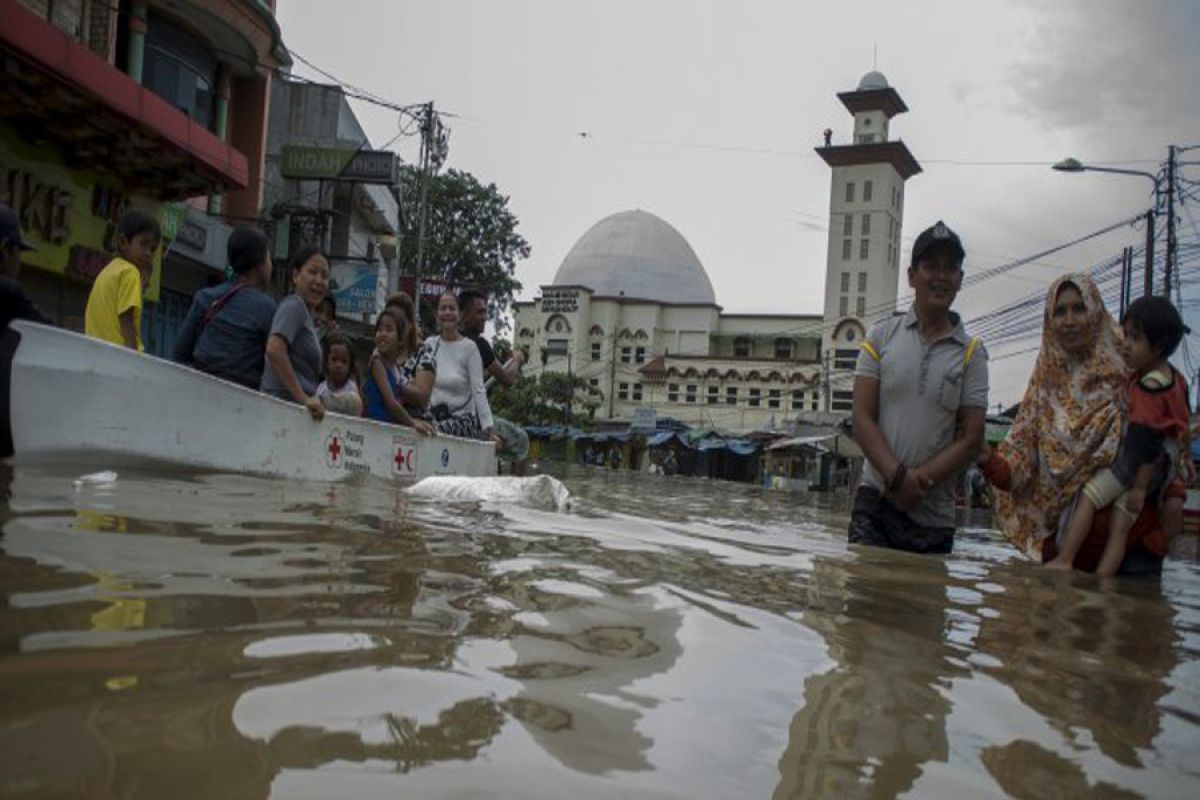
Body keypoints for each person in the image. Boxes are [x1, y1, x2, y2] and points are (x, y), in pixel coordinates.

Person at [980, 274, 1181, 575]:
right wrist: (986, 459)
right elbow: (1019, 466)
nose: (1069, 320)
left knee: (1139, 620)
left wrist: (1171, 507)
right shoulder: (1042, 390)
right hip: (1065, 554)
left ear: (1096, 312)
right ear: (1049, 320)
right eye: (1060, 312)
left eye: (1078, 308)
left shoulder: (1135, 368)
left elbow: (1169, 439)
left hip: (1135, 549)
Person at [850, 220, 989, 554]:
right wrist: (897, 477)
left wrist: (918, 482)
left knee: (923, 605)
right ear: (912, 276)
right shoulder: (880, 337)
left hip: (934, 517)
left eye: (950, 268)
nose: (940, 276)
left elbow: (972, 438)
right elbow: (861, 417)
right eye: (930, 266)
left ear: (960, 280)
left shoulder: (972, 353)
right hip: (875, 504)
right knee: (862, 601)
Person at [1048, 296, 1190, 576]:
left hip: (1138, 473)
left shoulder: (1143, 384)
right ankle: (1104, 583)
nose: (1124, 344)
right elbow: (1178, 429)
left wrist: (1147, 486)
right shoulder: (1173, 379)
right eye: (1124, 335)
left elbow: (1147, 439)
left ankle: (1066, 560)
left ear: (1158, 345)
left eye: (1133, 338)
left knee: (1090, 496)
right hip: (1150, 474)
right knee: (1119, 528)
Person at [172, 226, 276, 389]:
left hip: (198, 393)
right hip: (242, 401)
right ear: (260, 263)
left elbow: (179, 354)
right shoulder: (267, 308)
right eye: (269, 257)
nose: (271, 264)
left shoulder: (205, 297)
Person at [457, 288, 530, 473]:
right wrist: (517, 359)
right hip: (471, 419)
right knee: (521, 441)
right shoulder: (478, 344)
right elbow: (507, 380)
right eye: (479, 312)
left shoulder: (448, 339)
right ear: (464, 315)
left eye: (485, 312)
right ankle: (514, 497)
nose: (484, 317)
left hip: (456, 414)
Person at [261, 245, 328, 421]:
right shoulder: (295, 306)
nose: (319, 281)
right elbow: (275, 349)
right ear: (296, 276)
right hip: (282, 410)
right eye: (313, 272)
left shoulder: (306, 315)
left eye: (324, 276)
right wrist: (303, 399)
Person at [84, 209, 161, 351]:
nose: (148, 253)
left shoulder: (107, 271)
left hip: (94, 352)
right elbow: (127, 321)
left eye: (153, 248)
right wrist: (132, 359)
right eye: (143, 244)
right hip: (118, 358)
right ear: (123, 242)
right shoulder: (130, 273)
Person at [426, 291, 497, 441]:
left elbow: (479, 391)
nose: (447, 313)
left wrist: (489, 430)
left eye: (452, 308)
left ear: (459, 314)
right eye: (443, 308)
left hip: (462, 420)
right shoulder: (429, 345)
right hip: (432, 417)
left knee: (432, 431)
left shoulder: (470, 348)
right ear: (437, 314)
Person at [362, 307, 435, 434]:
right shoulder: (377, 362)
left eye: (389, 329)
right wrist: (413, 423)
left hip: (387, 429)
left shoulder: (395, 368)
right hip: (372, 429)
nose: (382, 333)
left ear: (401, 340)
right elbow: (391, 403)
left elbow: (399, 398)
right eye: (379, 330)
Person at [384, 292, 437, 421]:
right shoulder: (380, 352)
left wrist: (390, 386)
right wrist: (407, 388)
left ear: (410, 324)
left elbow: (422, 398)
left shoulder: (424, 354)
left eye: (400, 322)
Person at [0, 203, 49, 329]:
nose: (19, 262)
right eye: (19, 252)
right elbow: (53, 336)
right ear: (6, 248)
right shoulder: (7, 293)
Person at [316, 332, 363, 417]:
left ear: (350, 367)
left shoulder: (351, 388)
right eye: (334, 359)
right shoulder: (321, 389)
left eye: (344, 361)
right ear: (326, 362)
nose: (338, 365)